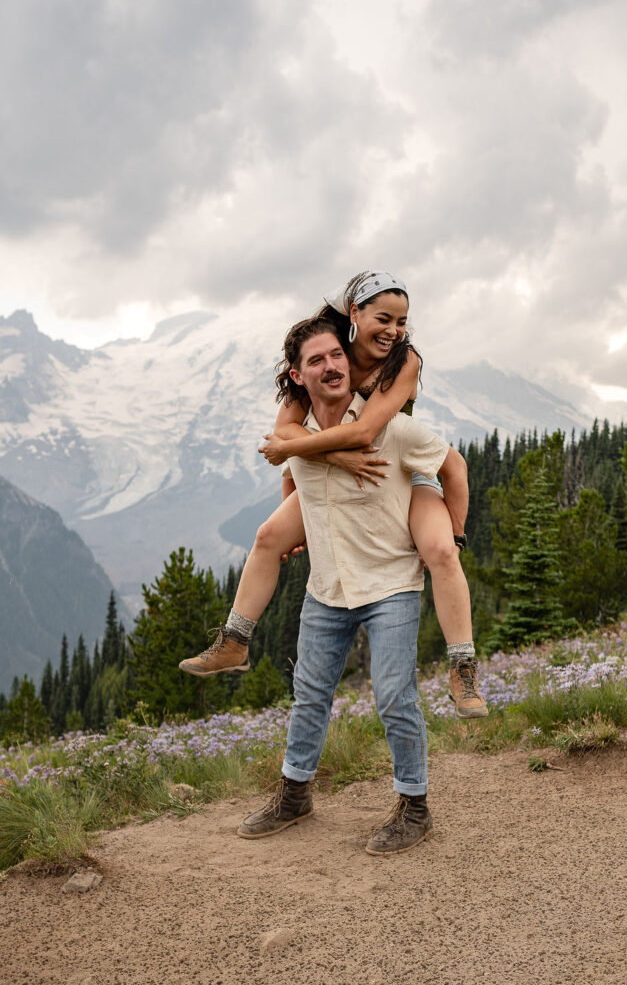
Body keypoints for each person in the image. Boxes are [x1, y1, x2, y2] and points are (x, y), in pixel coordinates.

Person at [179, 271, 487, 718]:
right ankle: (234, 641)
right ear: (355, 313)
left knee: (440, 551)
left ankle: (463, 670)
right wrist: (334, 459)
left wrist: (457, 534)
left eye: (402, 321)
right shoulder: (328, 350)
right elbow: (287, 429)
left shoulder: (404, 361)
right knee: (267, 537)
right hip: (342, 476)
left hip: (398, 467)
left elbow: (360, 432)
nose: (394, 330)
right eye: (384, 318)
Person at [236, 315, 464, 853]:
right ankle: (295, 796)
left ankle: (415, 806)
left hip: (391, 585)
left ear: (351, 361)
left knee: (393, 696)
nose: (331, 365)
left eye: (336, 355)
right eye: (316, 360)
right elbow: (293, 477)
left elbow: (453, 465)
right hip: (327, 588)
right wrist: (294, 527)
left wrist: (454, 536)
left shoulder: (395, 429)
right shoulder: (301, 439)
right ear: (297, 375)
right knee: (309, 694)